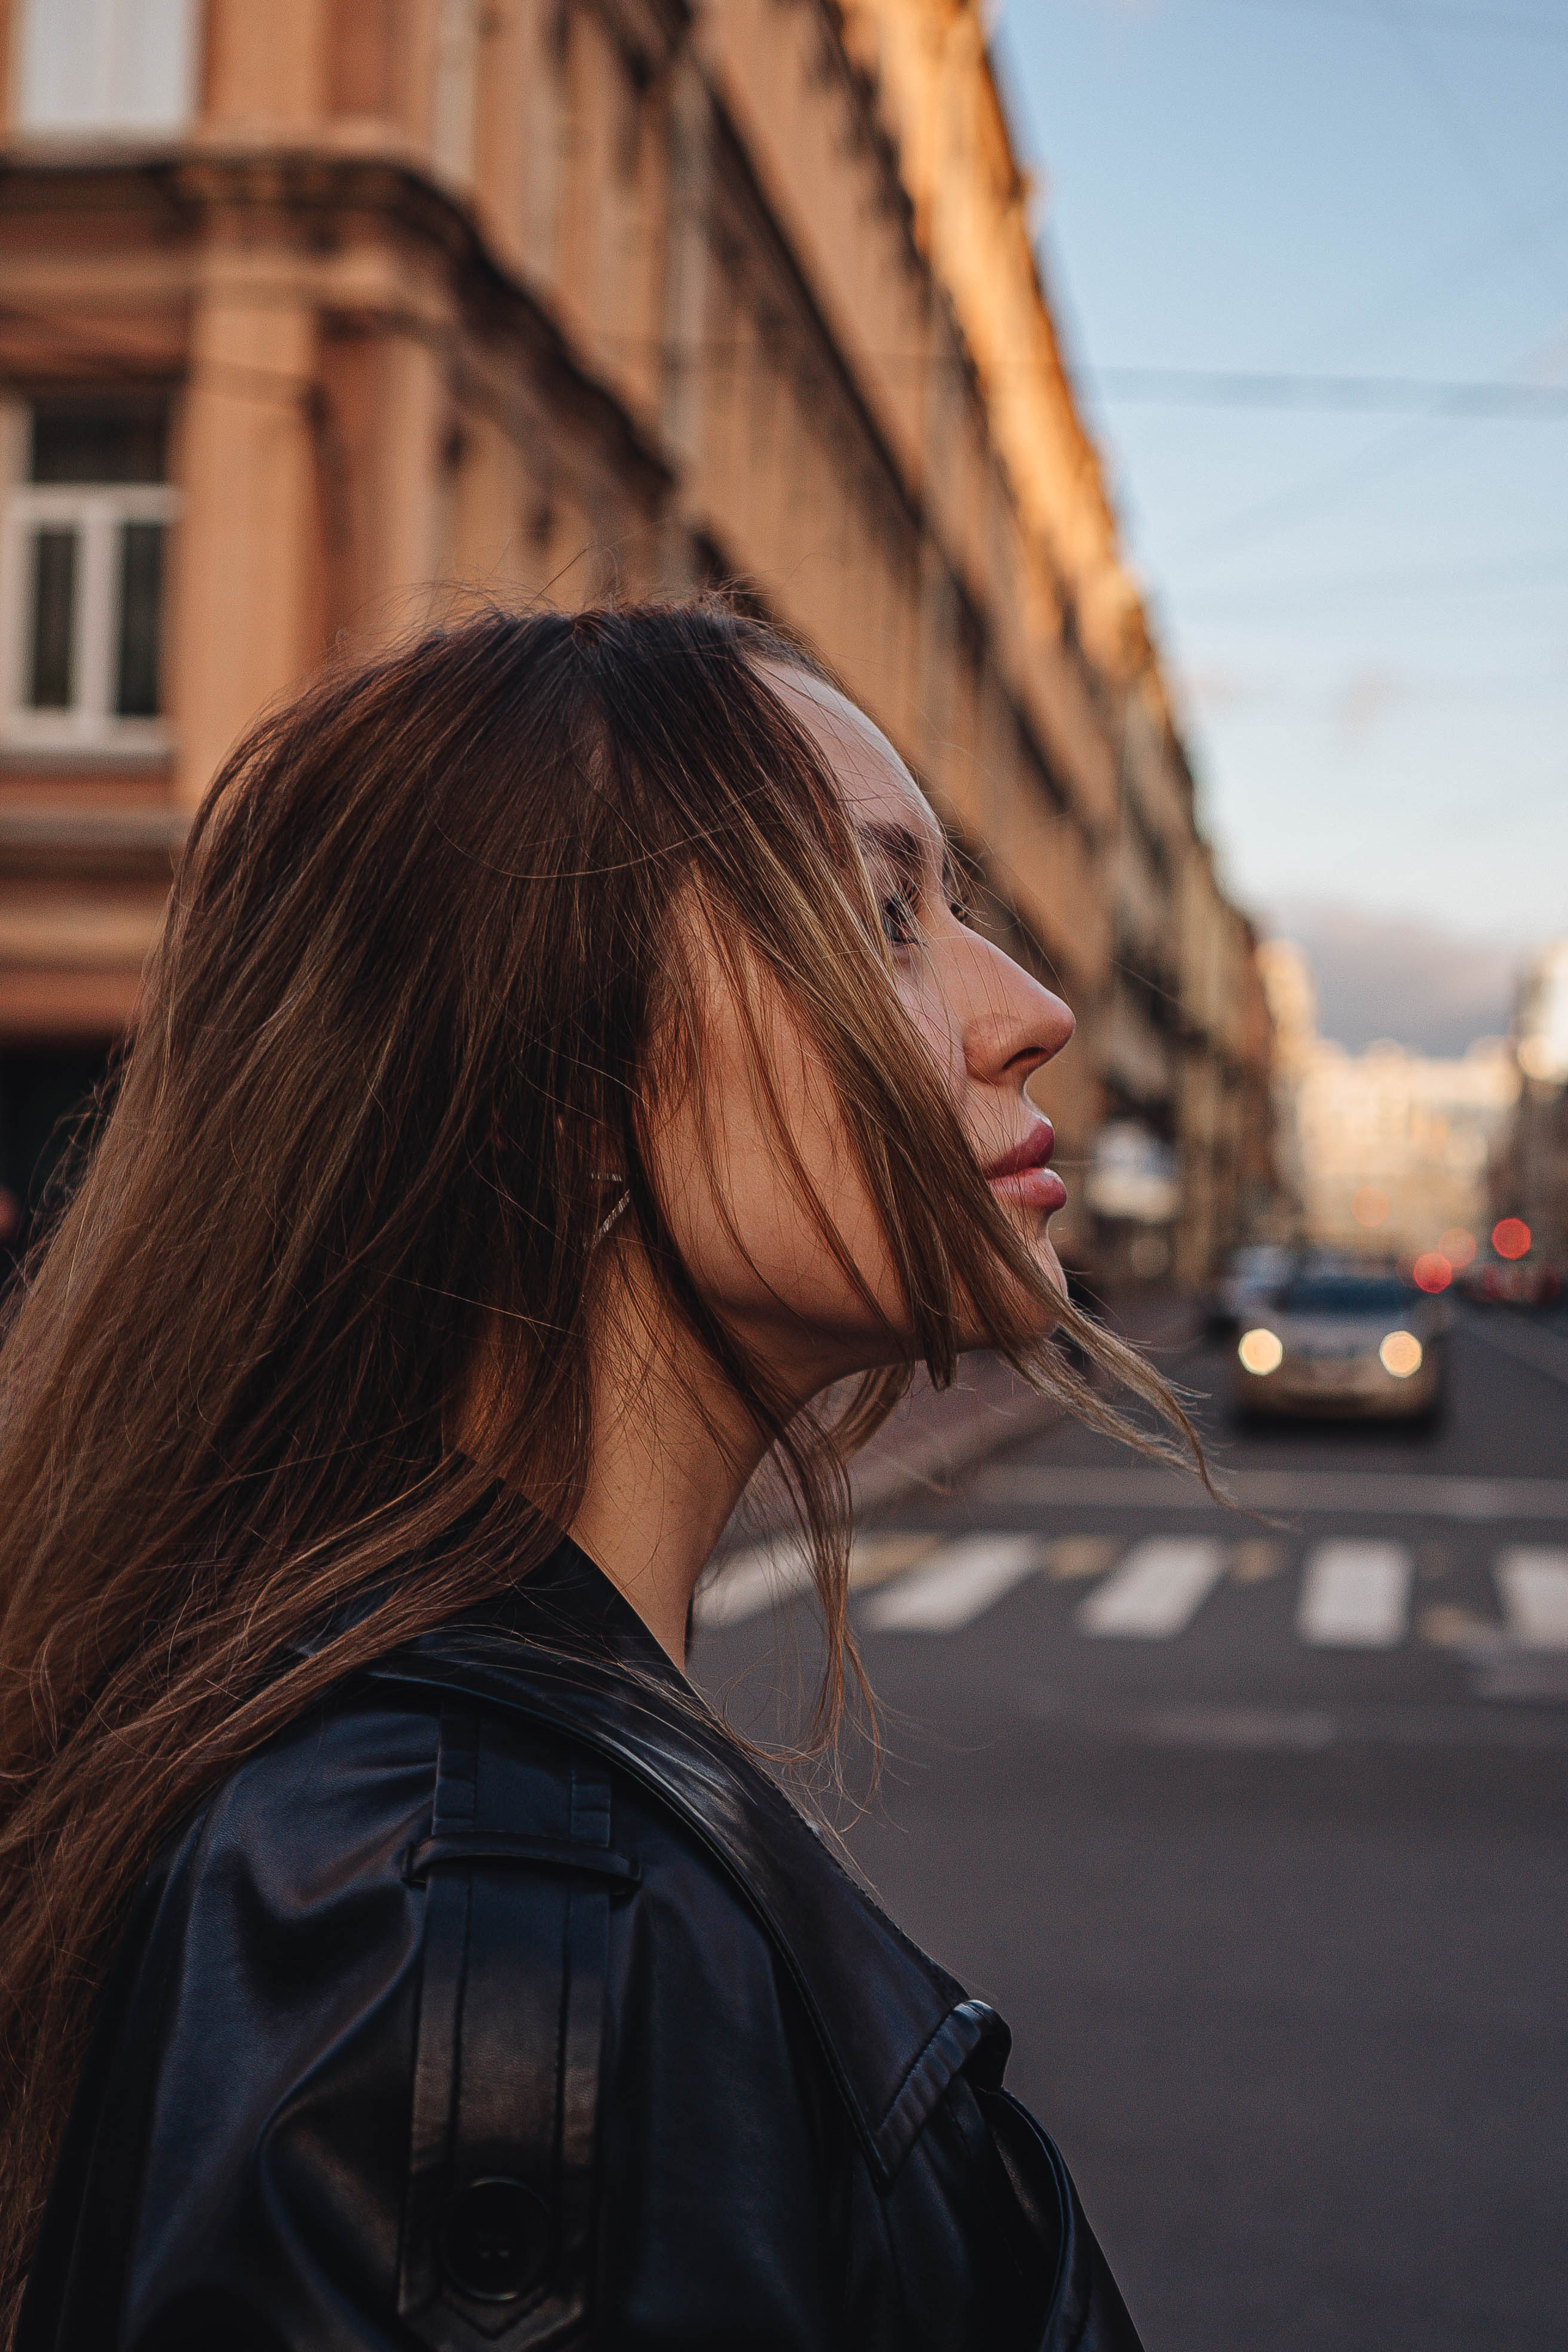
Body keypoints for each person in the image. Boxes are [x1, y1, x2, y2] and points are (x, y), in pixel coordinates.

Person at [0, 603, 1202, 2351]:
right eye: (881, 918)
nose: (1034, 1012)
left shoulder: (425, 1839)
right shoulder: (466, 1937)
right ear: (557, 1086)